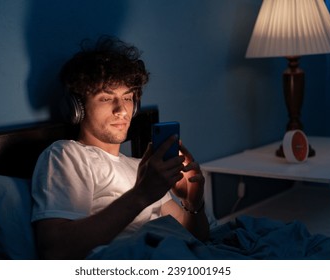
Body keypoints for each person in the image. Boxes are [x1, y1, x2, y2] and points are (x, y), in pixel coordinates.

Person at [31, 36, 209, 259]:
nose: (122, 110)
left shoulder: (142, 167)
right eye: (106, 98)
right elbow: (55, 251)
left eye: (127, 97)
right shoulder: (67, 155)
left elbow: (198, 238)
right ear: (78, 108)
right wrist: (142, 194)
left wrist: (193, 202)